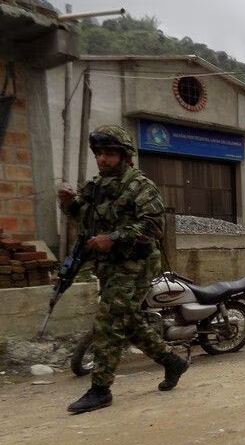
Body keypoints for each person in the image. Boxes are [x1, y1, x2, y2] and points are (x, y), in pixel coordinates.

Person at [57, 124, 189, 414]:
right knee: (128, 322)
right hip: (109, 267)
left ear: (126, 156)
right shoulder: (97, 186)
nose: (103, 159)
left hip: (135, 265)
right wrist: (68, 203)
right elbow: (84, 216)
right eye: (99, 154)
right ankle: (172, 361)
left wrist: (113, 237)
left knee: (109, 323)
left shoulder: (141, 186)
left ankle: (100, 390)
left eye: (110, 154)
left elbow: (154, 227)